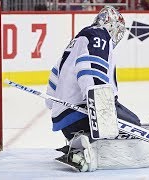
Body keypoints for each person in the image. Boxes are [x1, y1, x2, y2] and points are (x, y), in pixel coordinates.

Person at [45, 6, 143, 171]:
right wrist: (101, 108)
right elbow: (89, 69)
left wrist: (52, 104)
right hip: (84, 116)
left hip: (66, 123)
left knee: (131, 123)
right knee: (136, 127)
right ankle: (90, 143)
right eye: (117, 29)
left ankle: (79, 142)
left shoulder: (76, 40)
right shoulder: (99, 35)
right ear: (111, 24)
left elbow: (55, 74)